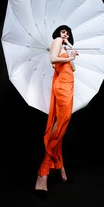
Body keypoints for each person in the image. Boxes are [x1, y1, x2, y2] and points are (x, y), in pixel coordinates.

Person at [34, 25, 78, 196]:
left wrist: (71, 52)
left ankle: (61, 170)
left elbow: (73, 68)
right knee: (60, 125)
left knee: (62, 126)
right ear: (58, 33)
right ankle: (42, 173)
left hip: (69, 85)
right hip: (63, 87)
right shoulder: (57, 41)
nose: (65, 34)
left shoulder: (63, 45)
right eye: (62, 31)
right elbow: (53, 59)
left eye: (67, 32)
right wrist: (65, 53)